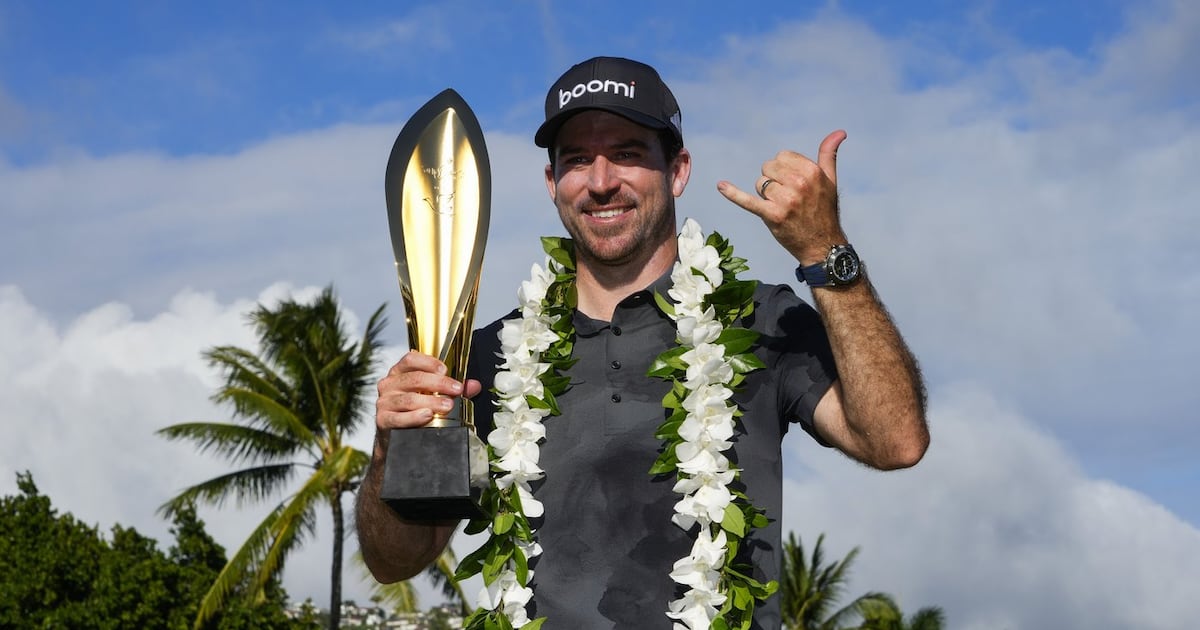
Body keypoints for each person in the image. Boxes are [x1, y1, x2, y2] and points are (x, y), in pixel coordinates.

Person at [356, 56, 928, 629]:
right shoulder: (489, 357)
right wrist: (390, 451)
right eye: (577, 160)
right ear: (554, 183)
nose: (601, 182)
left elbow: (895, 441)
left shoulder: (760, 319)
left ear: (677, 171)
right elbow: (394, 561)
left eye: (627, 154)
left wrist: (826, 255)